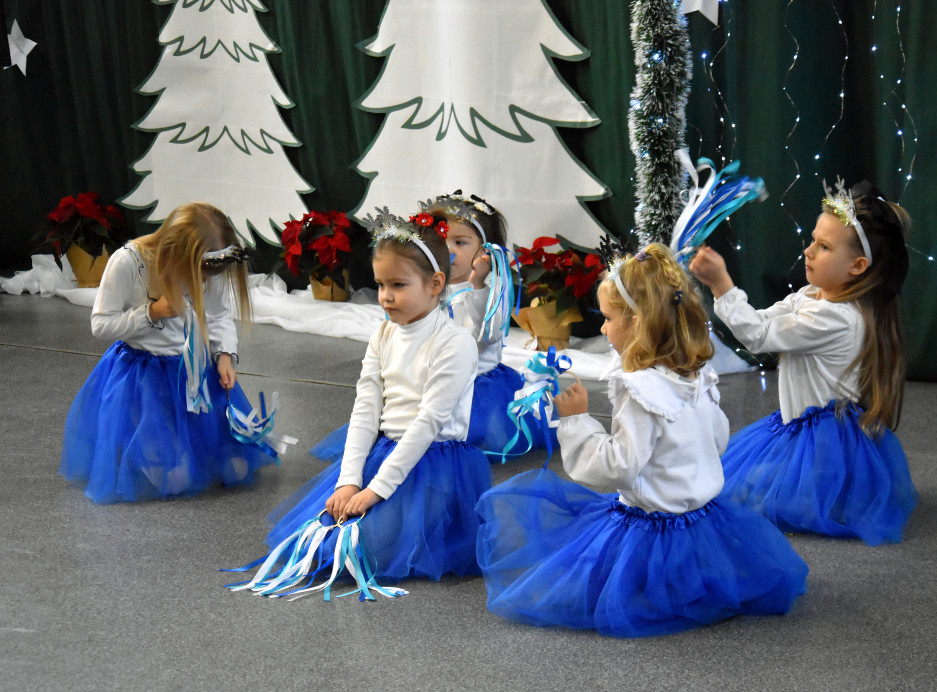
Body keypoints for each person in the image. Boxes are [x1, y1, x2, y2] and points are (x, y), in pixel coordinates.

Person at [476, 244, 808, 637]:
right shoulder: (697, 375)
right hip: (703, 520)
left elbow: (617, 468)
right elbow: (717, 440)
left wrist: (576, 421)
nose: (602, 329)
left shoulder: (639, 392)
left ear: (637, 322)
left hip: (654, 527)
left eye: (609, 319)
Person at [688, 179, 918, 545]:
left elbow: (759, 337)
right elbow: (763, 322)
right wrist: (723, 293)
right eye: (813, 239)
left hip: (822, 439)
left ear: (857, 266)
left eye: (824, 247)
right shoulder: (813, 295)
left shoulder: (836, 317)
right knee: (740, 486)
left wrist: (721, 286)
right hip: (800, 425)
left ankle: (827, 494)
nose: (809, 251)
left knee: (759, 496)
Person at [267, 209, 491, 581]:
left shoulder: (455, 343)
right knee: (319, 544)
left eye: (398, 286)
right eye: (381, 285)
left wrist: (375, 491)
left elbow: (428, 424)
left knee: (364, 552)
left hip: (433, 464)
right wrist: (349, 480)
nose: (385, 297)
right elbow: (366, 410)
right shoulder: (383, 335)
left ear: (435, 284)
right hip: (387, 452)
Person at [59, 202, 277, 503]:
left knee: (237, 469)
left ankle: (177, 444)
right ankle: (138, 442)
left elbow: (217, 316)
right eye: (198, 274)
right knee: (176, 481)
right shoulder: (128, 262)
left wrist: (224, 355)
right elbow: (101, 325)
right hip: (143, 377)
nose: (202, 283)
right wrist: (153, 311)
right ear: (175, 252)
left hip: (192, 373)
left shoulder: (206, 269)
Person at [420, 191, 535, 457]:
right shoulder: (432, 282)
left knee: (463, 440)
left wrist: (477, 286)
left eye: (460, 242)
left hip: (478, 382)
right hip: (437, 376)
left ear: (484, 251)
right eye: (442, 240)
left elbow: (486, 335)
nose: (448, 249)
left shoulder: (494, 287)